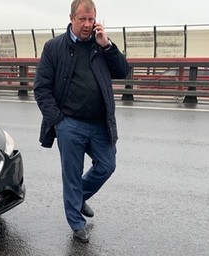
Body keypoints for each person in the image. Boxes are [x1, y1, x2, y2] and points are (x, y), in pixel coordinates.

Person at [34, 0, 130, 243]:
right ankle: (76, 224)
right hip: (70, 124)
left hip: (100, 123)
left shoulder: (100, 46)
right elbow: (41, 89)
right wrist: (58, 122)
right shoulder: (54, 47)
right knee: (72, 174)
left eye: (91, 19)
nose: (87, 25)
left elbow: (122, 71)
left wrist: (107, 45)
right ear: (71, 18)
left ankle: (77, 198)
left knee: (107, 166)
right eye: (82, 19)